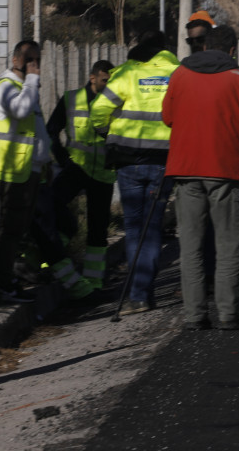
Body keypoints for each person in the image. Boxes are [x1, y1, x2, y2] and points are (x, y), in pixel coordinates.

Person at [163, 25, 239, 330]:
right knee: (228, 244)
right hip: (227, 169)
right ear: (233, 50)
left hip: (186, 168)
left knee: (191, 247)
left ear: (205, 46)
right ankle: (227, 314)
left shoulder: (180, 75)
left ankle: (195, 316)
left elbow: (167, 117)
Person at [90, 30, 180, 315]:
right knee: (151, 228)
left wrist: (108, 134)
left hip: (128, 162)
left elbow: (99, 111)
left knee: (133, 228)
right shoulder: (177, 73)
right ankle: (143, 292)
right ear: (165, 49)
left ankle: (137, 296)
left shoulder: (126, 73)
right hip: (164, 162)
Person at [41, 59, 115, 296]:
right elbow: (51, 130)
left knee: (98, 229)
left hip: (103, 173)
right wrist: (62, 159)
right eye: (105, 80)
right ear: (92, 78)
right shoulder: (72, 98)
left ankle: (93, 283)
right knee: (53, 210)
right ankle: (43, 261)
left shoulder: (115, 102)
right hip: (75, 169)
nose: (108, 85)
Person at [0, 40, 50, 303]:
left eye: (37, 61)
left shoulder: (24, 88)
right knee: (7, 232)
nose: (34, 65)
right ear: (15, 61)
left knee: (17, 231)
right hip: (9, 172)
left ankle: (9, 278)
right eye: (29, 60)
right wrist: (33, 81)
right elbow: (21, 110)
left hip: (27, 170)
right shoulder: (4, 87)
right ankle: (0, 285)